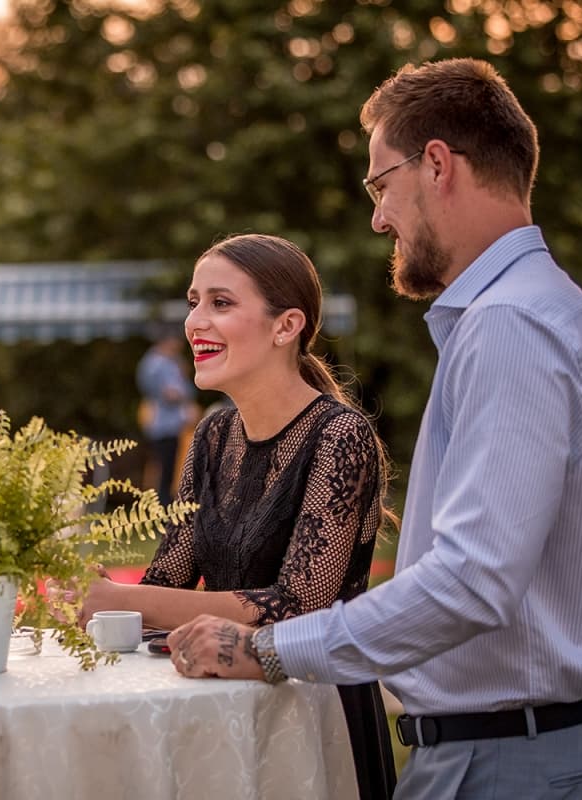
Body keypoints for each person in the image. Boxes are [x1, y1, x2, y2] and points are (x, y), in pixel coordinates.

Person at [167, 58, 582, 799]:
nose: (378, 217)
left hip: (511, 762)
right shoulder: (551, 309)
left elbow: (473, 580)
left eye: (380, 185)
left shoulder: (510, 326)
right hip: (533, 748)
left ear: (437, 165)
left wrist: (268, 650)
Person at [79, 233, 399, 799]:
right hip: (225, 715)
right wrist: (88, 594)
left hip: (316, 720)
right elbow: (168, 580)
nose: (195, 321)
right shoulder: (211, 436)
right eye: (193, 301)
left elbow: (298, 606)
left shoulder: (341, 437)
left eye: (220, 303)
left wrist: (122, 600)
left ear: (286, 325)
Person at [136, 328, 196, 505]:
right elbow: (170, 393)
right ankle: (163, 513)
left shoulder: (173, 361)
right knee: (164, 473)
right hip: (163, 426)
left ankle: (169, 510)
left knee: (172, 472)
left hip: (176, 426)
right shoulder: (155, 364)